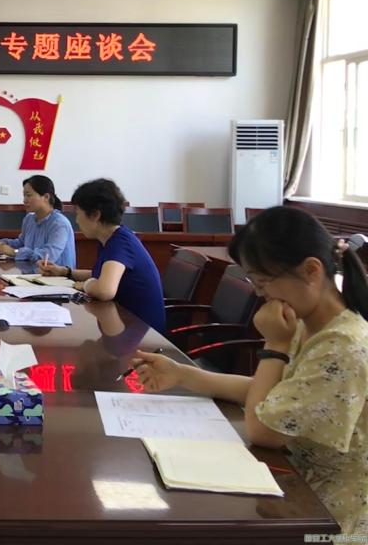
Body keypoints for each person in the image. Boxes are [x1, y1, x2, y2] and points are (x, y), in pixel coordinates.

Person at [131, 206, 368, 535]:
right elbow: (269, 394)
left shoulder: (341, 346)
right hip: (295, 485)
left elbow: (263, 430)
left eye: (263, 282)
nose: (260, 294)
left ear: (311, 271)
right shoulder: (309, 323)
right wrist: (182, 374)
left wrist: (275, 345)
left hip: (332, 516)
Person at [39, 178, 163, 332]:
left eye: (78, 213)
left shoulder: (120, 243)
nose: (76, 220)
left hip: (145, 333)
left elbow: (105, 290)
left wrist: (86, 285)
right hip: (127, 323)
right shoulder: (111, 238)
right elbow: (100, 275)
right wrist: (65, 272)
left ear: (95, 215)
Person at [0, 175, 75, 267]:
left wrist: (14, 252)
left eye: (28, 195)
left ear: (46, 197)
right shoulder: (29, 219)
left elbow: (47, 256)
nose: (24, 200)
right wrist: (1, 244)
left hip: (56, 275)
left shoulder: (59, 224)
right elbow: (21, 243)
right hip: (32, 272)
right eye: (24, 195)